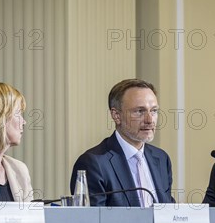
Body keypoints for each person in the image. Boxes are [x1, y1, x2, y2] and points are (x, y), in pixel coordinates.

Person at [70, 79, 174, 207]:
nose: (149, 120)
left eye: (153, 111)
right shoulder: (93, 163)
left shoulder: (161, 159)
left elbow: (168, 214)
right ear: (116, 115)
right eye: (139, 111)